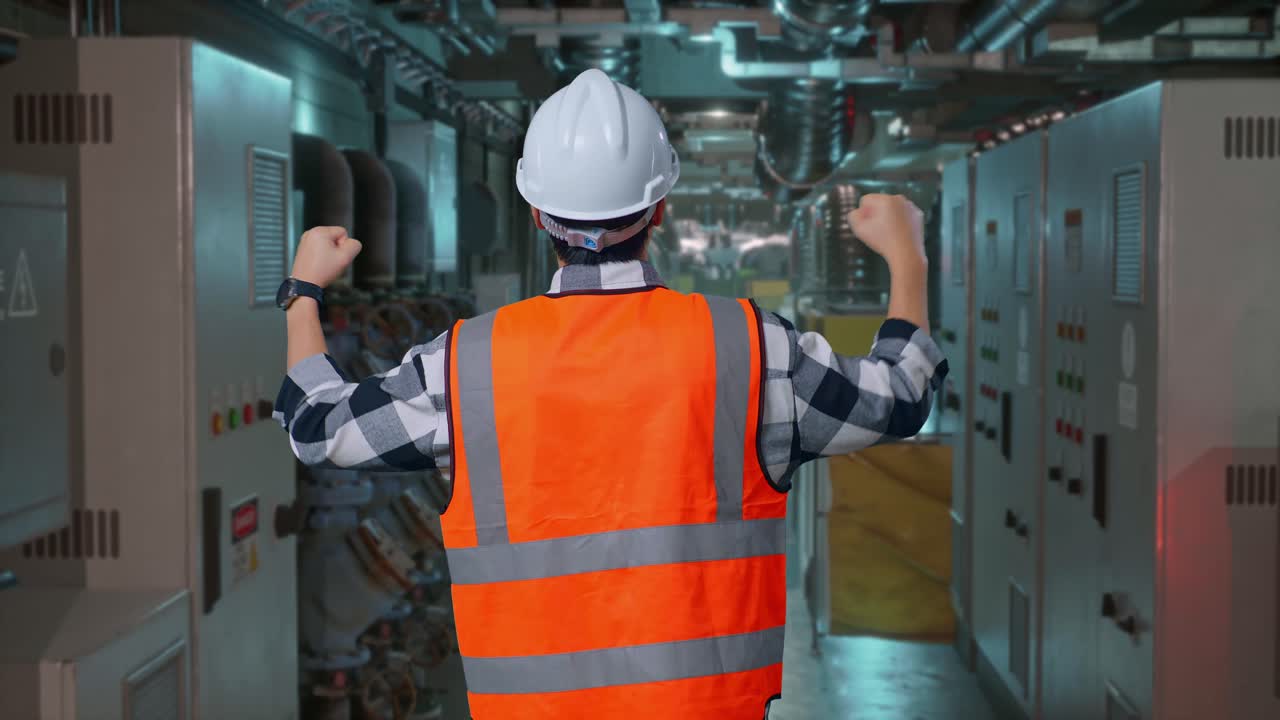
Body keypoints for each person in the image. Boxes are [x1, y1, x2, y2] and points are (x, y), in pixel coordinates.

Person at [274, 68, 947, 720]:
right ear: (659, 209)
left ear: (536, 213)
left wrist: (304, 293)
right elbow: (902, 395)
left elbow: (316, 425)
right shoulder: (752, 348)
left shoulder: (462, 366)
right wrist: (908, 262)